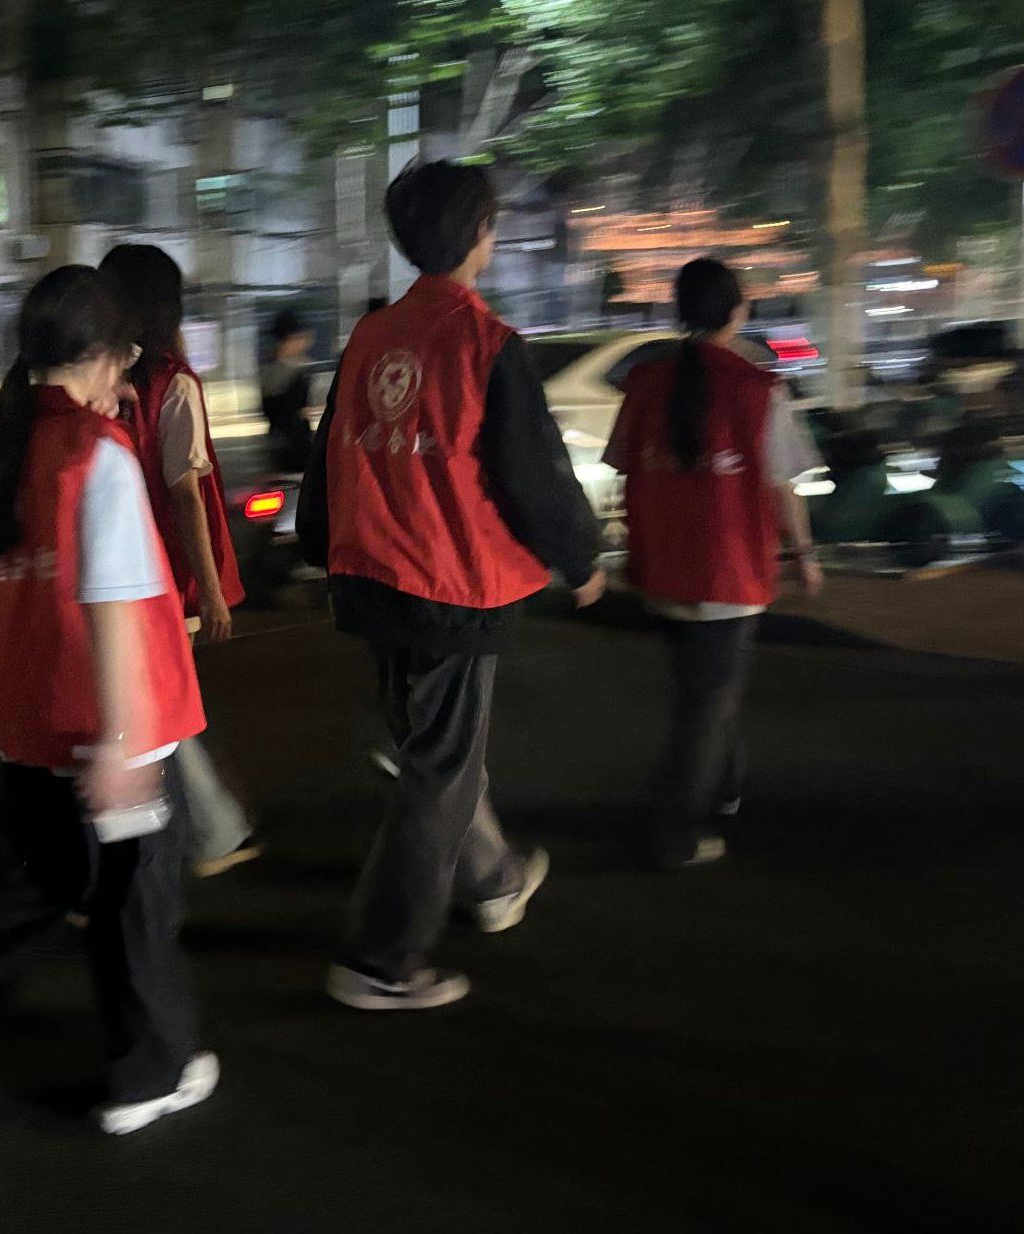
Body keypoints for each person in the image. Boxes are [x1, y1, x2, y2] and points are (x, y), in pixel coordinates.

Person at [0, 265, 215, 1137]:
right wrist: (124, 743)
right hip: (109, 722)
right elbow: (114, 606)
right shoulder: (96, 458)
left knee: (58, 882)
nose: (125, 381)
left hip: (24, 721)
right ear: (103, 355)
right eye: (124, 361)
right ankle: (148, 1074)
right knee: (139, 903)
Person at [297, 160, 604, 1012]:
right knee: (439, 769)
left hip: (374, 576)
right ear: (479, 236)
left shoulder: (372, 335)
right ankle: (381, 960)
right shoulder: (485, 342)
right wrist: (582, 558)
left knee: (436, 755)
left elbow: (332, 451)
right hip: (450, 585)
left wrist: (320, 543)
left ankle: (495, 878)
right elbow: (533, 475)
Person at [604, 258, 823, 869]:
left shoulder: (645, 383)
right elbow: (784, 486)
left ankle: (724, 787)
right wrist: (805, 556)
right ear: (738, 311)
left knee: (702, 690)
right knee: (704, 705)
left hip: (661, 566)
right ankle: (675, 831)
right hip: (729, 573)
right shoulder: (758, 389)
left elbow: (623, 466)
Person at [97, 244, 258, 878]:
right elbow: (186, 493)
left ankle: (193, 828)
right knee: (163, 704)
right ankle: (206, 829)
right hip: (164, 573)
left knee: (146, 698)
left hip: (113, 568)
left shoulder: (104, 377)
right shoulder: (173, 384)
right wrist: (211, 592)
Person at [259, 310, 316, 474]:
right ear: (287, 340)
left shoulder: (274, 366)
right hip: (291, 444)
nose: (304, 342)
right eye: (299, 338)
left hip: (286, 441)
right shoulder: (287, 368)